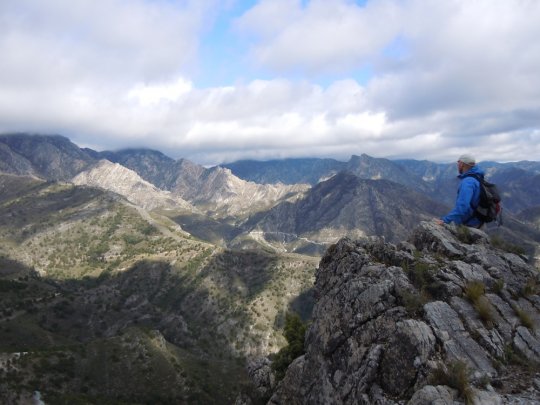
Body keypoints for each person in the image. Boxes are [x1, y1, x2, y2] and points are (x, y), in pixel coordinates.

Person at [436, 154, 484, 228]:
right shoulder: (477, 176)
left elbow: (463, 206)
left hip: (470, 222)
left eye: (458, 163)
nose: (457, 165)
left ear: (461, 164)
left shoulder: (468, 182)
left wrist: (445, 220)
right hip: (478, 219)